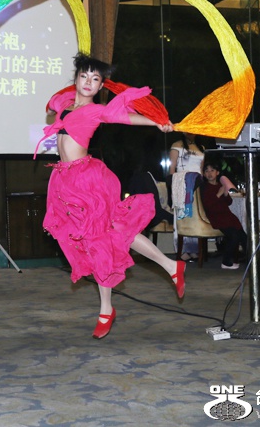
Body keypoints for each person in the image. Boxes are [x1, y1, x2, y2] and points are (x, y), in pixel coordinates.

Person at [39, 53, 184, 340]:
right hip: (66, 183)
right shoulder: (64, 104)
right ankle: (171, 266)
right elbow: (53, 102)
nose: (88, 82)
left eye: (95, 79)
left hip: (89, 182)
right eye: (84, 76)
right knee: (111, 235)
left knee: (101, 241)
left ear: (101, 85)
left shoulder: (97, 110)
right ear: (76, 79)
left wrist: (157, 123)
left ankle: (107, 308)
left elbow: (126, 118)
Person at [200, 159, 247, 270]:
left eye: (212, 170)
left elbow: (229, 202)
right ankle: (226, 262)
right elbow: (208, 205)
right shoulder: (205, 187)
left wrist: (225, 194)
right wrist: (219, 194)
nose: (209, 173)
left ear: (217, 172)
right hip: (217, 217)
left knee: (244, 237)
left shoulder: (220, 185)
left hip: (227, 216)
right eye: (207, 171)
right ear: (204, 174)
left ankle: (252, 260)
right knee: (233, 236)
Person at [169, 132, 205, 261]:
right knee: (181, 216)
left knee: (195, 216)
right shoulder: (177, 145)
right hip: (182, 183)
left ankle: (193, 249)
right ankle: (182, 249)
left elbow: (201, 169)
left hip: (197, 184)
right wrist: (173, 186)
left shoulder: (201, 147)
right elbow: (172, 167)